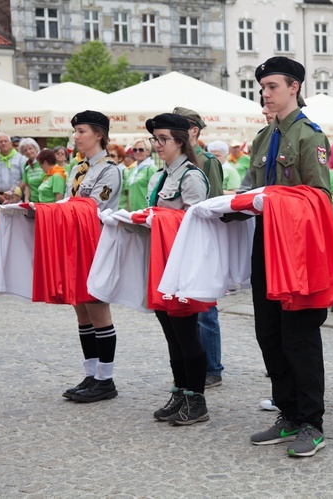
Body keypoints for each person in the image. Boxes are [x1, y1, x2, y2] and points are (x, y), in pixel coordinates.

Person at [246, 56, 331, 458]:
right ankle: (288, 413)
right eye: (262, 87)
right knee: (269, 333)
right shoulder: (264, 138)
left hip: (296, 248)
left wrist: (275, 201)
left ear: (294, 87)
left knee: (299, 336)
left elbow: (320, 198)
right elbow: (249, 189)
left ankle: (312, 423)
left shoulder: (309, 136)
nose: (265, 93)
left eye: (273, 86)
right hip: (264, 242)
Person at [146, 113, 211, 425]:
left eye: (163, 139)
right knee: (171, 333)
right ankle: (181, 391)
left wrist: (155, 219)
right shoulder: (165, 175)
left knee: (186, 334)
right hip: (163, 264)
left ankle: (196, 400)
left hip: (181, 265)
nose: (157, 145)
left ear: (181, 142)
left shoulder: (191, 177)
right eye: (155, 139)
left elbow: (196, 224)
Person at [62, 110, 123, 403]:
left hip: (95, 243)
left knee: (97, 308)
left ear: (99, 134)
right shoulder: (77, 169)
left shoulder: (109, 170)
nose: (76, 136)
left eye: (82, 131)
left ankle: (105, 378)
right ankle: (91, 372)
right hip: (74, 243)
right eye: (75, 131)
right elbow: (67, 202)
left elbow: (89, 208)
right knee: (81, 310)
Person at [172, 106, 226, 389]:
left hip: (204, 239)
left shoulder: (207, 162)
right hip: (180, 241)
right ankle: (194, 363)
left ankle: (213, 367)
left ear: (193, 130)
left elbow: (215, 203)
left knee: (206, 310)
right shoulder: (176, 162)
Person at [0, 133, 26, 205]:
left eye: (5, 141)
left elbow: (25, 179)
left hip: (17, 196)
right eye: (0, 142)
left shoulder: (21, 158)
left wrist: (14, 194)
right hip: (0, 197)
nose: (3, 143)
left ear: (10, 143)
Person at [126, 139, 157, 211]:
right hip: (132, 213)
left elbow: (155, 193)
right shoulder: (132, 170)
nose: (137, 152)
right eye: (135, 150)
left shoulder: (151, 168)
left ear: (148, 152)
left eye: (141, 150)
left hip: (145, 213)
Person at [20, 138, 45, 203]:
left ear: (35, 148)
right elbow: (27, 184)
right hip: (33, 200)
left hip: (45, 199)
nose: (28, 151)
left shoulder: (43, 161)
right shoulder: (26, 165)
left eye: (30, 148)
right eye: (25, 150)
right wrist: (26, 199)